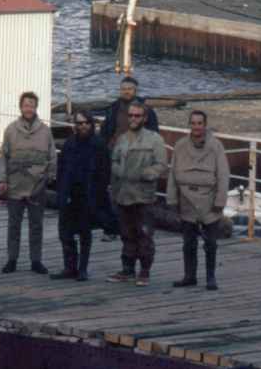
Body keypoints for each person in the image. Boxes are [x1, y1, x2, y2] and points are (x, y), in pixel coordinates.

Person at [168, 109, 229, 291]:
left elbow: (223, 175)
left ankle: (211, 277)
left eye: (199, 123)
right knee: (188, 242)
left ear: (205, 125)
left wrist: (220, 201)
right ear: (189, 125)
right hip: (186, 199)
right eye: (193, 123)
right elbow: (172, 174)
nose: (196, 127)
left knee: (210, 242)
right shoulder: (179, 146)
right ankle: (190, 276)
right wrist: (172, 199)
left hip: (209, 201)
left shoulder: (216, 146)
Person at [108, 100, 167, 285]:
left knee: (144, 234)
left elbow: (161, 165)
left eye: (137, 115)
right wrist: (116, 174)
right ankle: (127, 269)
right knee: (126, 233)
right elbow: (115, 161)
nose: (133, 118)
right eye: (131, 115)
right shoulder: (122, 139)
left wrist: (147, 174)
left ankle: (144, 271)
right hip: (123, 194)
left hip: (143, 195)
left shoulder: (154, 139)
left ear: (145, 118)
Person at [0, 90, 56, 274]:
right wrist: (2, 179)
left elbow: (52, 156)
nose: (28, 108)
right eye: (25, 105)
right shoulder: (10, 130)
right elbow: (3, 157)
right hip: (15, 184)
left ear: (36, 107)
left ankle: (36, 260)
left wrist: (50, 175)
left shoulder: (45, 131)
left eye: (31, 105)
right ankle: (12, 259)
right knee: (13, 224)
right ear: (20, 107)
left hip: (37, 186)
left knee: (36, 225)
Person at [98, 75, 159, 241]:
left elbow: (154, 134)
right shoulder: (113, 108)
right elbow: (105, 133)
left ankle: (136, 230)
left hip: (137, 156)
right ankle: (112, 229)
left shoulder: (146, 111)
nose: (126, 91)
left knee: (136, 196)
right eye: (123, 88)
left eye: (130, 89)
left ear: (135, 91)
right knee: (114, 193)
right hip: (115, 155)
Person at [53, 110, 108, 281]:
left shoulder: (98, 144)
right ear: (75, 125)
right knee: (65, 233)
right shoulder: (69, 143)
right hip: (69, 193)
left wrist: (98, 194)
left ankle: (82, 269)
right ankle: (69, 267)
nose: (82, 126)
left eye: (85, 123)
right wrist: (61, 192)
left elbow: (105, 172)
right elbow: (61, 169)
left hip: (88, 194)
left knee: (85, 233)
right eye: (79, 123)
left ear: (91, 124)